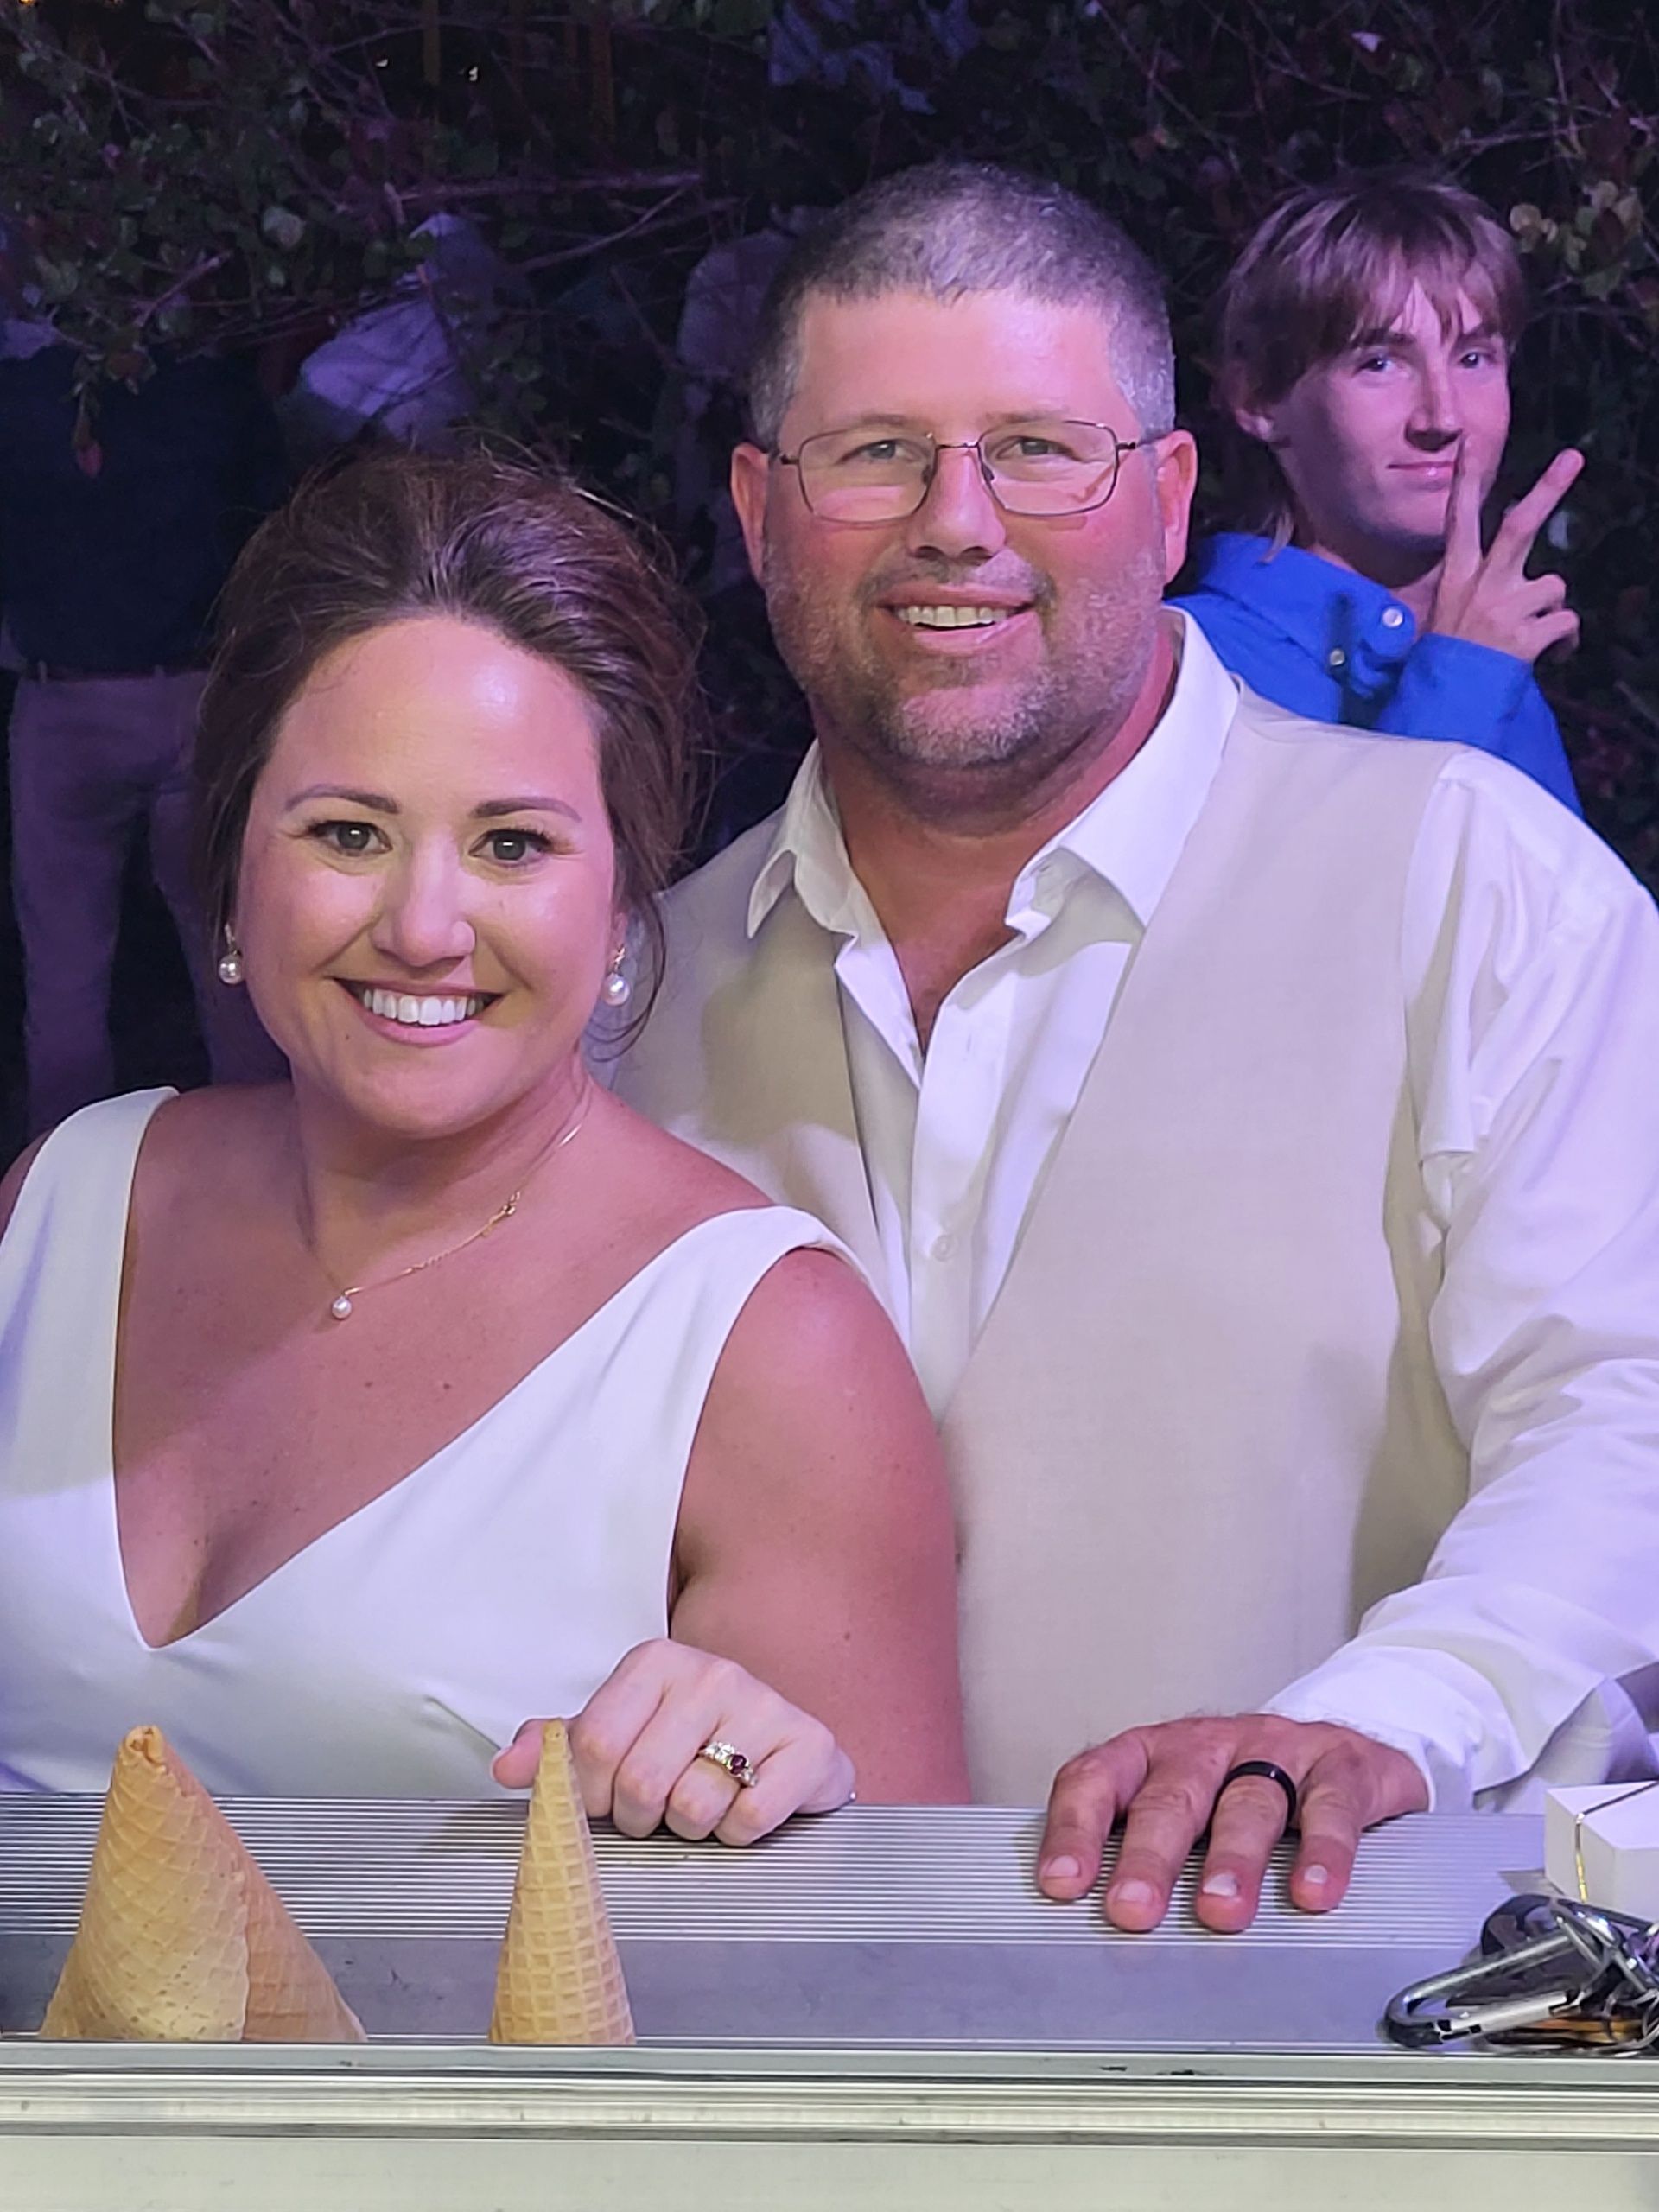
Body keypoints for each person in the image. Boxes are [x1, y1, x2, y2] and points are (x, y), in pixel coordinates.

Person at [611, 161, 1659, 1929]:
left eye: (1041, 450)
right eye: (876, 453)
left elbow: (1620, 1411)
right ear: (760, 510)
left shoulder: (1477, 885)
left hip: (1339, 2003)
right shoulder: (630, 1004)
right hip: (757, 2020)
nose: (957, 522)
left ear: (1169, 499)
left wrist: (1379, 1723)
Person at [0, 450, 967, 1832]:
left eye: (512, 846)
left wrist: (793, 1802)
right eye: (348, 833)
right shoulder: (60, 1203)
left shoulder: (768, 1352)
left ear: (621, 905)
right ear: (232, 874)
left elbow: (902, 1942)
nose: (423, 927)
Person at [1173, 171, 1581, 811]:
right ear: (1258, 399)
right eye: (1380, 364)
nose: (1443, 417)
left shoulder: (1499, 656)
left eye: (1473, 358)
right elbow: (1319, 878)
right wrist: (1461, 680)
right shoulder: (1186, 664)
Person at [0, 329, 291, 1132]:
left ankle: (64, 1174)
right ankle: (256, 1153)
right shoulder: (211, 389)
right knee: (227, 948)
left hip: (67, 700)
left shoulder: (17, 399)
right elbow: (274, 536)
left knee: (65, 967)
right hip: (198, 695)